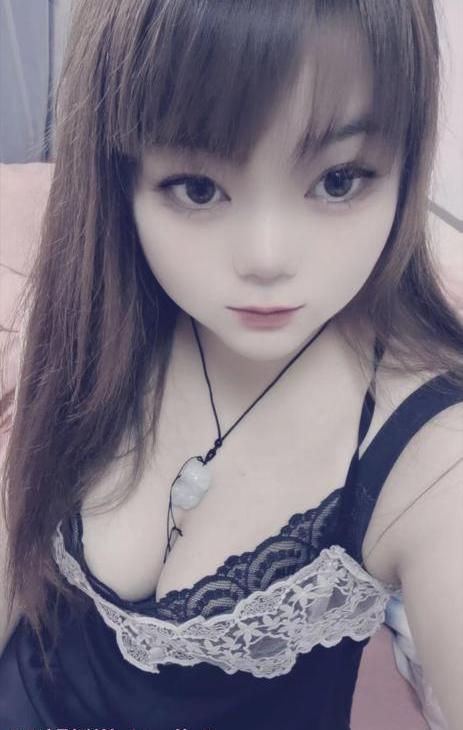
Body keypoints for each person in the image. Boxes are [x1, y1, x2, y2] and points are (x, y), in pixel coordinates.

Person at [0, 1, 462, 728]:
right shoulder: (109, 308)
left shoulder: (432, 458)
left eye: (339, 179)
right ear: (120, 179)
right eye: (198, 186)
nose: (265, 258)